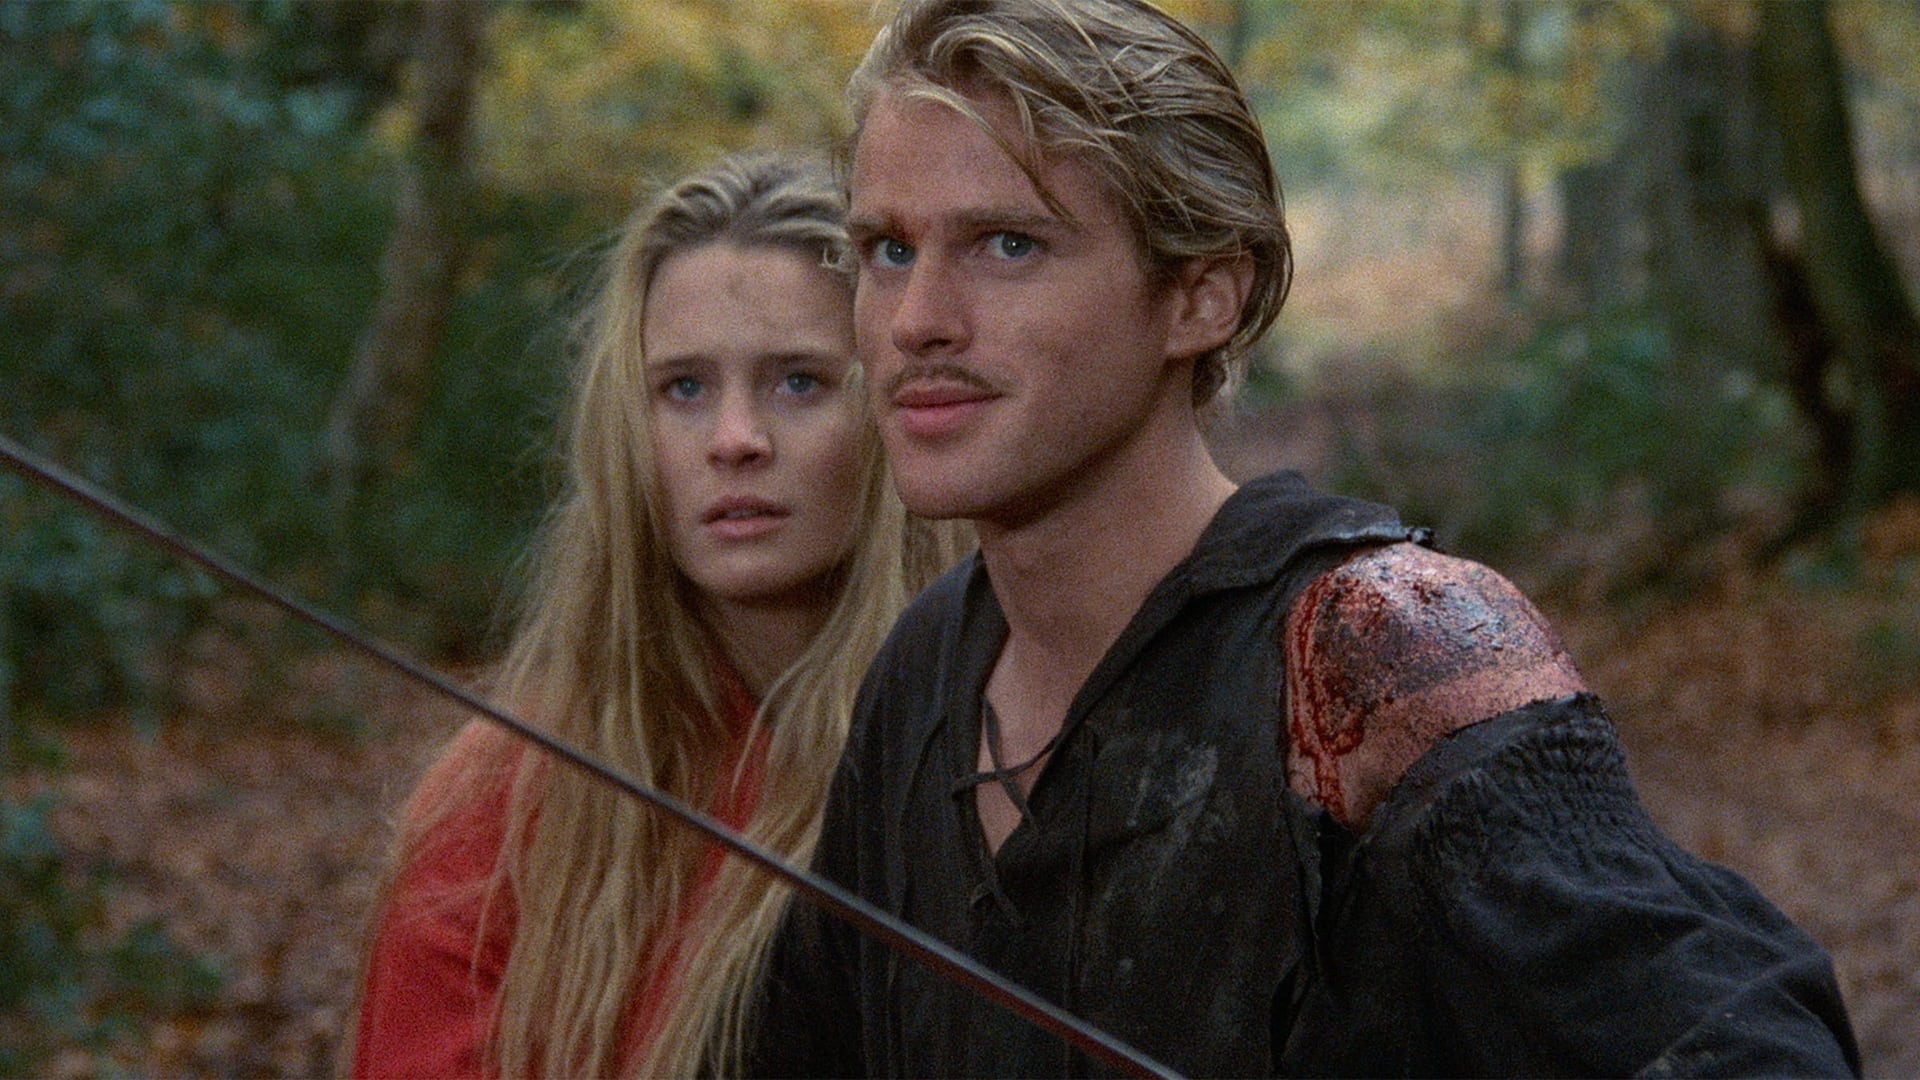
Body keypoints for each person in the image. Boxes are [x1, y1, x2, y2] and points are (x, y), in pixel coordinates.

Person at [754, 1, 1861, 1075]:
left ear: (1202, 297)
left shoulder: (1382, 648)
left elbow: (1732, 1040)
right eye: (887, 250)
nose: (917, 320)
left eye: (1008, 245)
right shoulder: (924, 671)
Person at [349, 151, 968, 1079]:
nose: (735, 440)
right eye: (684, 388)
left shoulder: (998, 745)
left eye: (799, 382)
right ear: (626, 430)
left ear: (896, 406)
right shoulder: (504, 798)